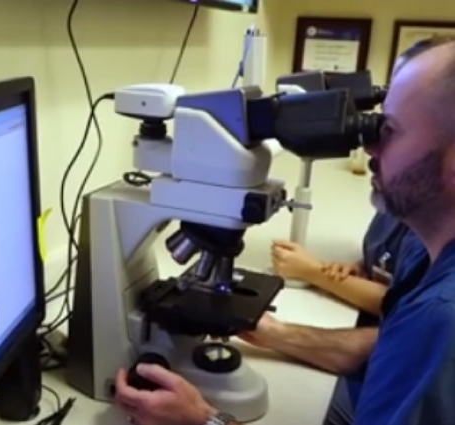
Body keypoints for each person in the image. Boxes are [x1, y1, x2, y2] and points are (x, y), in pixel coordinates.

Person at [114, 36, 455, 425]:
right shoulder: (422, 250)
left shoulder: (442, 319)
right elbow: (392, 347)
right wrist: (281, 334)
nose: (371, 146)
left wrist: (202, 420)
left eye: (389, 130)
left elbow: (423, 341)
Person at [271, 212, 412, 425]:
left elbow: (403, 308)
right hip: (384, 349)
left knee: (298, 402)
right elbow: (389, 263)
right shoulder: (397, 210)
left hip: (396, 382)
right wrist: (361, 269)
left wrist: (315, 272)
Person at [271, 212, 410, 317]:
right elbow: (387, 253)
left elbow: (402, 302)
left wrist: (313, 271)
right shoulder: (392, 206)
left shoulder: (421, 226)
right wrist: (362, 267)